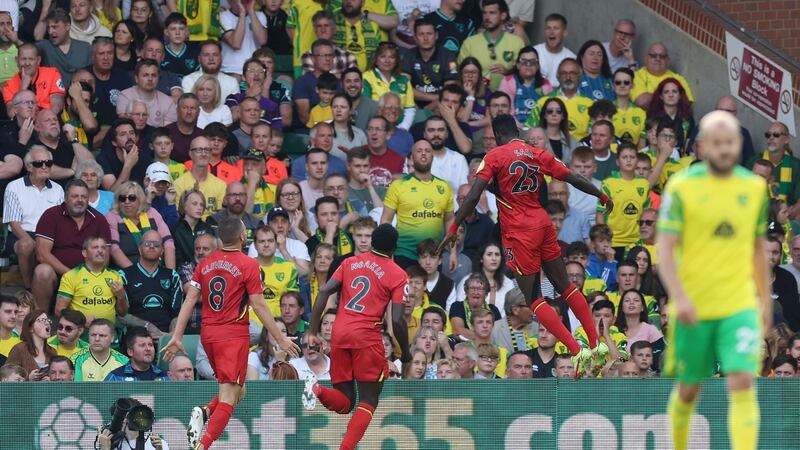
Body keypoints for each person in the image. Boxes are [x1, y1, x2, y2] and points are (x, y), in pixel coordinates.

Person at [440, 114, 612, 375]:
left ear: (497, 136)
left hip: (520, 233)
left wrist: (453, 226)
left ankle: (578, 353)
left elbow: (474, 194)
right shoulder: (536, 153)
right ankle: (595, 344)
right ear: (516, 130)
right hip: (543, 223)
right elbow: (571, 177)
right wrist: (599, 194)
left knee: (535, 300)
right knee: (565, 285)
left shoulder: (495, 156)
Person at [659, 111, 771, 450]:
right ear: (703, 146)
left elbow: (757, 249)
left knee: (741, 380)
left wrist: (764, 300)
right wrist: (680, 296)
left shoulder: (753, 189)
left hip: (738, 304)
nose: (724, 149)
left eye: (731, 143)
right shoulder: (681, 187)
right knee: (690, 387)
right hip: (693, 304)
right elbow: (664, 250)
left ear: (739, 144)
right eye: (717, 143)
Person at [161, 217, 300, 450]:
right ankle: (202, 446)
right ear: (243, 237)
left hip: (209, 336)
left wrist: (177, 335)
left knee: (239, 390)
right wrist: (280, 338)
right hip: (232, 336)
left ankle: (205, 412)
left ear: (218, 240)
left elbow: (190, 300)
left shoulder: (204, 264)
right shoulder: (248, 264)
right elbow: (259, 305)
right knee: (229, 396)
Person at [303, 224, 408, 450]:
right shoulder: (398, 274)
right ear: (394, 248)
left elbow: (323, 291)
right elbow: (398, 320)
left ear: (371, 242)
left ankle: (317, 390)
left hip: (340, 334)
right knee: (368, 400)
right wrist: (406, 352)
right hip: (366, 338)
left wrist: (312, 330)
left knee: (345, 401)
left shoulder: (349, 262)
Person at [32, 179, 111, 311]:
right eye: (75, 196)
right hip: (56, 273)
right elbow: (42, 254)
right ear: (66, 198)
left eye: (84, 196)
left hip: (89, 275)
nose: (79, 200)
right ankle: (41, 317)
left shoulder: (99, 219)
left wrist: (87, 276)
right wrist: (71, 276)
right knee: (42, 271)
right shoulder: (51, 215)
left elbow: (105, 256)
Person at [381, 139, 454, 268]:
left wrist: (453, 252)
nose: (423, 154)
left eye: (427, 151)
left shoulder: (444, 187)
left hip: (433, 256)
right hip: (404, 254)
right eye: (419, 151)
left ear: (433, 156)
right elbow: (386, 220)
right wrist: (386, 251)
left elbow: (450, 221)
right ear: (412, 157)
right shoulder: (398, 185)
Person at [3, 146, 65, 292]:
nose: (44, 167)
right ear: (29, 167)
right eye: (39, 163)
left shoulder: (58, 189)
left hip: (50, 236)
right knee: (26, 245)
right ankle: (29, 287)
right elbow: (14, 222)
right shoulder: (14, 187)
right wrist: (34, 243)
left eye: (48, 163)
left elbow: (62, 220)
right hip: (22, 234)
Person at [118, 229, 182, 336]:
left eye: (156, 245)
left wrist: (170, 335)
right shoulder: (124, 275)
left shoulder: (172, 276)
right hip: (136, 337)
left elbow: (177, 314)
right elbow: (121, 315)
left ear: (162, 250)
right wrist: (148, 326)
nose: (152, 246)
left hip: (165, 336)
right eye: (147, 244)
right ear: (139, 249)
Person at [54, 235, 128, 326]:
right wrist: (82, 319)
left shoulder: (115, 275)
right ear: (84, 253)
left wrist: (122, 297)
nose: (100, 251)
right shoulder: (71, 275)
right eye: (95, 247)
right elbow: (59, 310)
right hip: (80, 335)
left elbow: (123, 313)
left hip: (108, 335)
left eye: (103, 248)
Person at [106, 181, 176, 268]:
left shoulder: (152, 213)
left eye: (132, 198)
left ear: (140, 200)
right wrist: (136, 273)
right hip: (126, 271)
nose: (127, 201)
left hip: (157, 269)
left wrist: (171, 273)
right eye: (122, 198)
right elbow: (114, 248)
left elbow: (168, 242)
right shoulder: (112, 216)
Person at [525, 58, 593, 142]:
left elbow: (594, 135)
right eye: (564, 73)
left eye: (572, 73)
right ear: (558, 76)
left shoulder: (590, 104)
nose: (568, 77)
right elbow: (529, 131)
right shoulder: (543, 102)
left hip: (581, 151)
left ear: (580, 76)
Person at [402, 18, 458, 109]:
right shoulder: (409, 55)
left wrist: (425, 111)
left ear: (436, 36)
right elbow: (404, 87)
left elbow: (450, 92)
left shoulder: (449, 57)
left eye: (429, 33)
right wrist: (435, 98)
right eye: (421, 34)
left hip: (440, 106)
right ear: (415, 38)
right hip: (414, 105)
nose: (425, 38)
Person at [362, 42, 415, 130]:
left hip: (399, 126)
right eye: (383, 56)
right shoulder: (366, 77)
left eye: (392, 57)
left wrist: (403, 128)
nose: (387, 60)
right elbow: (366, 107)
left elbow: (410, 109)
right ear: (376, 59)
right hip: (374, 128)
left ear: (396, 61)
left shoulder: (404, 80)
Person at [173, 136, 227, 219]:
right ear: (191, 154)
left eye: (207, 150)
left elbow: (222, 216)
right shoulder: (178, 184)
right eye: (199, 150)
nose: (203, 154)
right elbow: (178, 216)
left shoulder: (221, 185)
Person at [2, 43, 66, 113]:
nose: (27, 63)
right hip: (24, 123)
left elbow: (57, 106)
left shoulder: (52, 74)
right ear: (17, 61)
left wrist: (41, 120)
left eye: (31, 59)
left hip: (49, 119)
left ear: (38, 61)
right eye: (23, 59)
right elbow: (12, 114)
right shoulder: (9, 86)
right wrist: (22, 89)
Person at [746, 122, 800, 203]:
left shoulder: (796, 165)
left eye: (776, 135)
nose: (771, 138)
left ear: (786, 140)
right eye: (768, 135)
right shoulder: (754, 161)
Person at [36, 8, 92, 86]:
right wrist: (17, 40)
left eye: (55, 27)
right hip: (52, 96)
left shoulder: (85, 48)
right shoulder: (44, 46)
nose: (50, 32)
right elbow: (26, 51)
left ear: (67, 26)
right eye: (48, 28)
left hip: (79, 96)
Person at [630, 42, 694, 109]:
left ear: (668, 61)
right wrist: (672, 99)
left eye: (662, 56)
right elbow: (642, 101)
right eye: (653, 56)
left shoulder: (678, 79)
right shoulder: (636, 76)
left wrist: (653, 98)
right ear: (646, 58)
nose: (658, 59)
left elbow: (686, 105)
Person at [499, 46, 551, 123]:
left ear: (537, 66)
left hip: (539, 130)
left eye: (532, 62)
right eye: (524, 61)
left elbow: (549, 113)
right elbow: (504, 110)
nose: (528, 65)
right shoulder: (507, 82)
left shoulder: (545, 85)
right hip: (512, 128)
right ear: (518, 65)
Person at [299, 10, 357, 78]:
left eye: (326, 26)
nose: (323, 30)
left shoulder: (348, 57)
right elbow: (310, 82)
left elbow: (354, 82)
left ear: (334, 29)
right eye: (319, 26)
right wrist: (341, 77)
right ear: (315, 30)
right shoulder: (308, 56)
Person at [181, 40, 239, 107]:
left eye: (215, 55)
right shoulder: (188, 80)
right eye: (206, 55)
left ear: (221, 58)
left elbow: (235, 111)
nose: (211, 58)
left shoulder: (232, 82)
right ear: (199, 59)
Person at [219, 0, 268, 77]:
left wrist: (251, 11)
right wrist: (242, 14)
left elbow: (262, 40)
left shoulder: (259, 15)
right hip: (230, 70)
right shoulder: (222, 16)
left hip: (254, 70)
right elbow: (236, 43)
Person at [331, 0, 382, 72]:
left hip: (366, 78)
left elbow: (378, 55)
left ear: (363, 2)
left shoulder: (372, 25)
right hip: (336, 75)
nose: (348, 1)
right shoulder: (331, 20)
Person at [449, 272, 502, 340]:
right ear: (466, 292)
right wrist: (484, 338)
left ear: (486, 294)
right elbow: (458, 330)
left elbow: (499, 334)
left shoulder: (493, 310)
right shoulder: (457, 306)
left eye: (480, 289)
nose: (476, 292)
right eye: (472, 288)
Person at [105, 327, 169, 381]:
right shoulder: (116, 377)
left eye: (150, 345)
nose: (148, 349)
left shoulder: (164, 376)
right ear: (130, 352)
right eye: (142, 345)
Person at [5, 309, 56, 378]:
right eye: (42, 320)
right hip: (24, 389)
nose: (47, 323)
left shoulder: (52, 352)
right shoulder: (19, 349)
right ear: (30, 328)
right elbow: (7, 377)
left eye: (48, 320)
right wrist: (28, 379)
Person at [426, 116, 469, 193]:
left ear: (447, 134)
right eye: (431, 130)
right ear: (424, 134)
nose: (436, 134)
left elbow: (465, 191)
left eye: (440, 130)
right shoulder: (416, 159)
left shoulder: (459, 159)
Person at [533, 13, 575, 87]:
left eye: (556, 28)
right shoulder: (534, 53)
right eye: (548, 28)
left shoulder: (572, 58)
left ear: (564, 33)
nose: (551, 32)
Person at [491, 288, 538, 353]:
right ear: (515, 310)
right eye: (530, 305)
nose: (534, 308)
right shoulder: (494, 329)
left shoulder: (537, 328)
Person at [342, 66, 379, 130]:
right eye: (348, 81)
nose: (352, 84)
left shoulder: (374, 108)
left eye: (356, 81)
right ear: (342, 84)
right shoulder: (335, 106)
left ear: (362, 84)